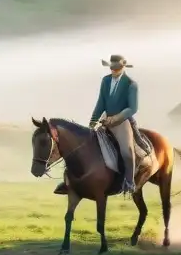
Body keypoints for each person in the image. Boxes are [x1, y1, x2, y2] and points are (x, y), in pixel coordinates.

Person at [55, 55, 140, 196]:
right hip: (104, 120)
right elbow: (101, 103)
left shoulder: (131, 84)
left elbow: (132, 108)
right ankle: (69, 181)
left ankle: (129, 182)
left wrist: (115, 119)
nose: (114, 71)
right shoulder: (105, 81)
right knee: (82, 146)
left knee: (127, 151)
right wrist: (92, 122)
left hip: (122, 122)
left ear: (123, 67)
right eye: (112, 68)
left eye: (117, 68)